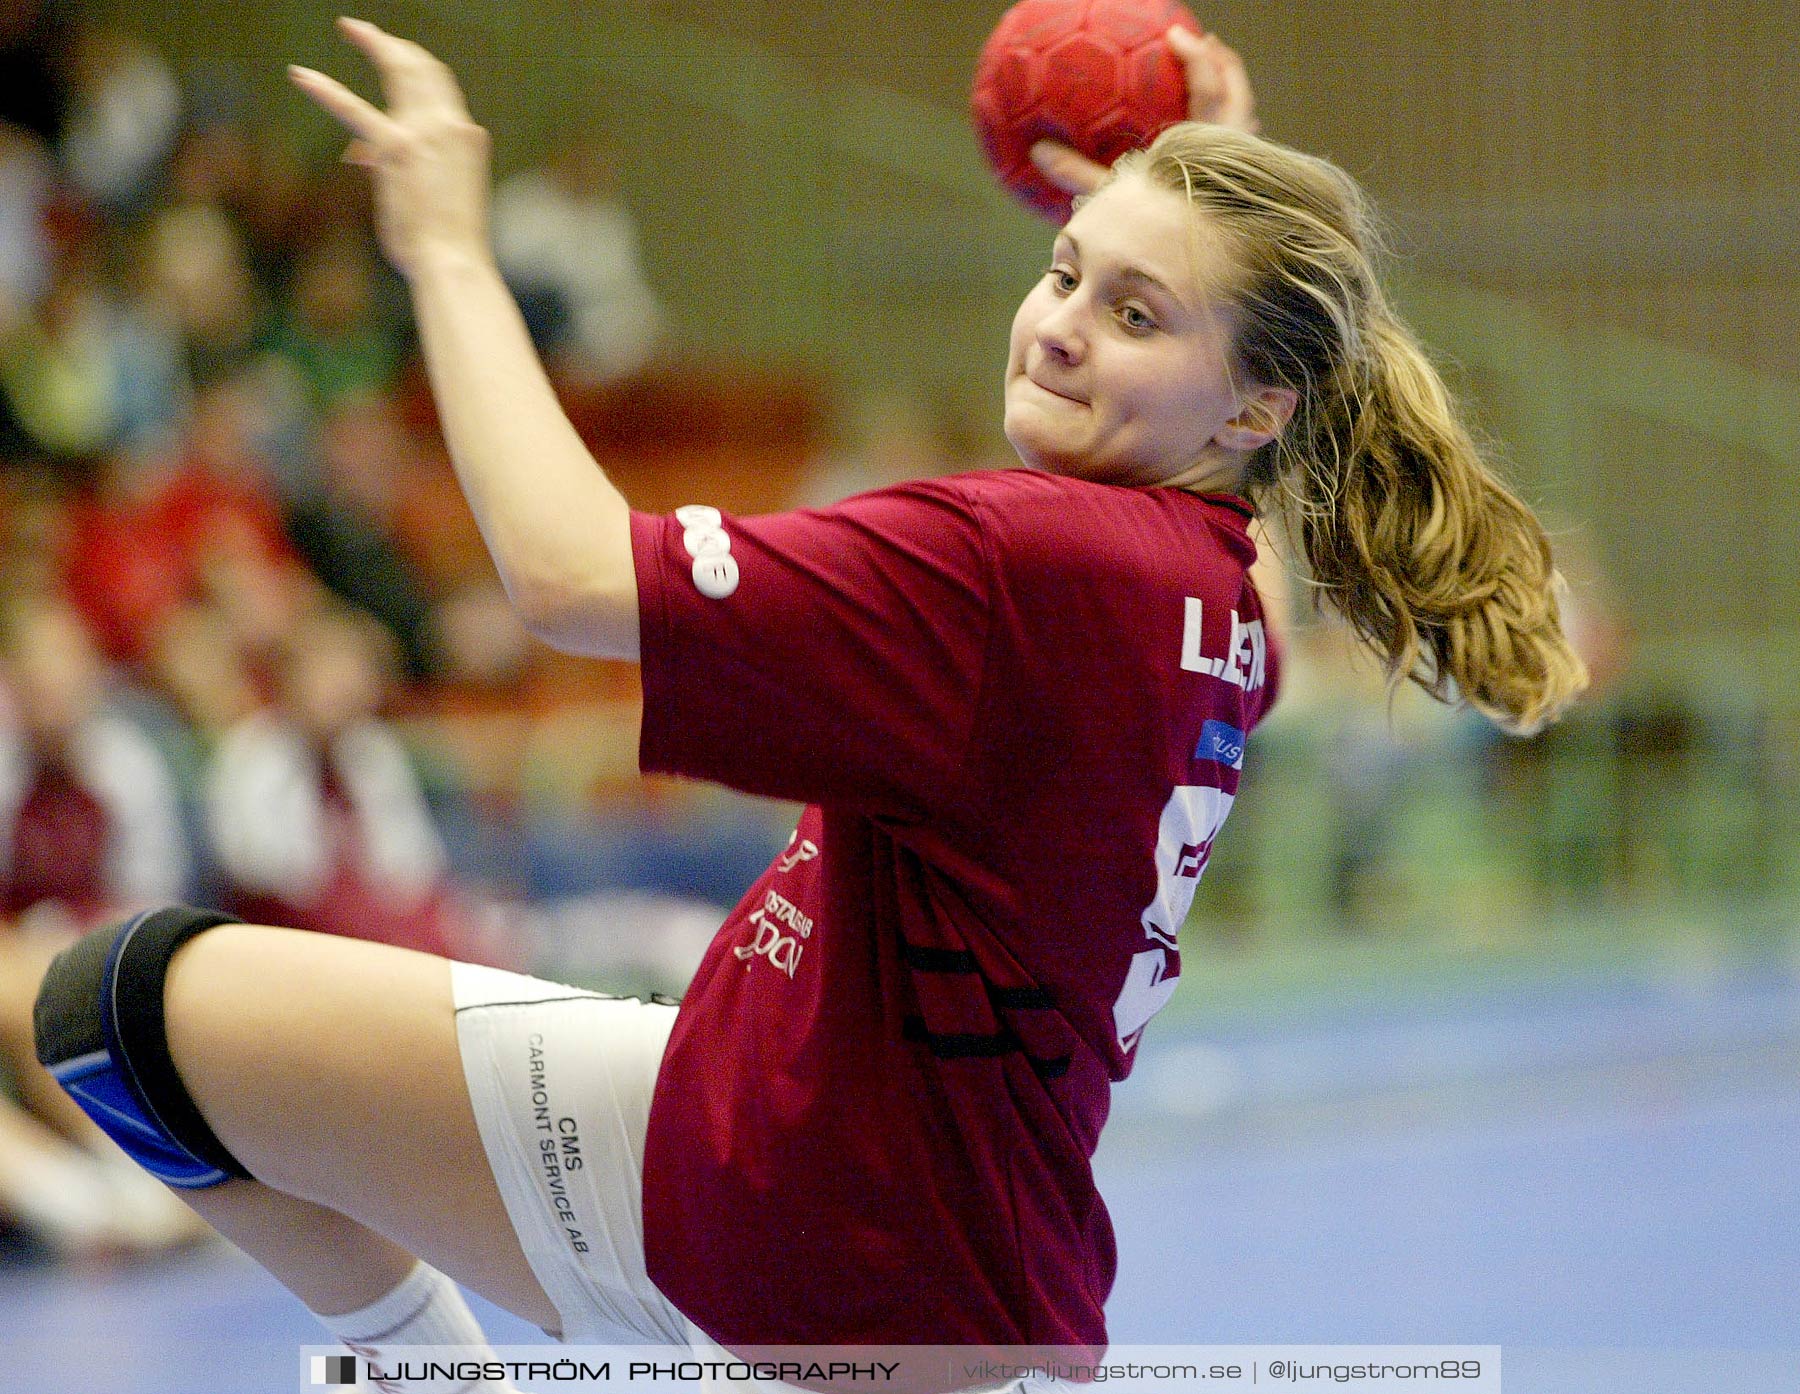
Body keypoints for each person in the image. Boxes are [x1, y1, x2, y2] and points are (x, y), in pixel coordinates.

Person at [30, 16, 1586, 1394]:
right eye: (1062, 270)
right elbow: (1232, 377)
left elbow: (569, 578)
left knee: (116, 1025)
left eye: (1132, 314)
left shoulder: (1030, 561)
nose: (1056, 323)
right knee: (118, 1015)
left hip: (835, 1280)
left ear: (1255, 407)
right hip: (764, 1151)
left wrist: (443, 247)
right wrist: (1196, 192)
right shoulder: (1220, 582)